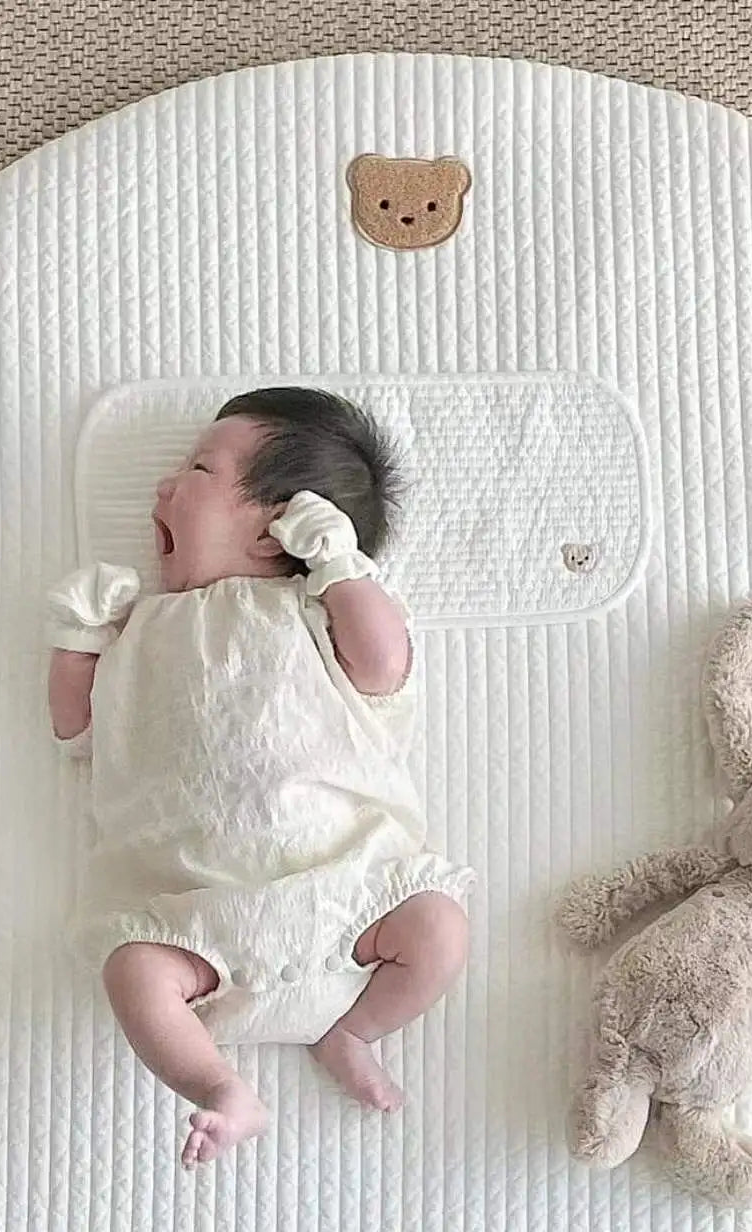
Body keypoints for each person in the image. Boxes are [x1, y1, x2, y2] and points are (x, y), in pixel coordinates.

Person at [46, 387, 473, 1167]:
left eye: (198, 469)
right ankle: (219, 1086)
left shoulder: (313, 610)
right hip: (191, 922)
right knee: (131, 973)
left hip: (349, 900)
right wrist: (77, 639)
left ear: (282, 526)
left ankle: (353, 1030)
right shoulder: (138, 626)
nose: (163, 487)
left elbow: (383, 665)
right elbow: (79, 731)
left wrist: (340, 564)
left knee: (440, 925)